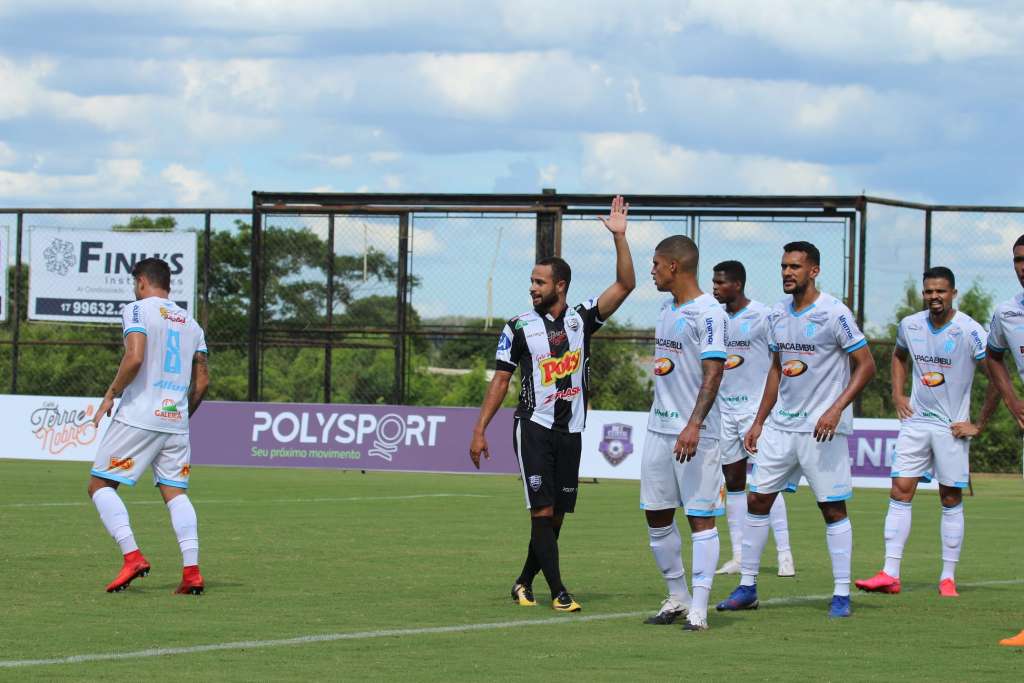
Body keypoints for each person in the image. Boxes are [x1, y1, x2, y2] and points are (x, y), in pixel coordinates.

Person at [469, 195, 635, 612]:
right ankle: (559, 592)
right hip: (534, 427)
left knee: (556, 515)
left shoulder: (582, 320)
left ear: (560, 286)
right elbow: (502, 379)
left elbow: (626, 286)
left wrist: (620, 238)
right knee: (542, 509)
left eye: (540, 282)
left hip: (572, 429)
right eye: (531, 281)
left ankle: (524, 580)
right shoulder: (518, 327)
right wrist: (479, 428)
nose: (532, 287)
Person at [717, 241, 876, 619]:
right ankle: (748, 587)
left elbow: (866, 365)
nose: (788, 273)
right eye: (784, 266)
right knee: (758, 499)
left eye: (795, 267)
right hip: (780, 427)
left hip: (821, 429)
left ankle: (840, 594)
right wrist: (759, 420)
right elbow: (776, 368)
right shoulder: (776, 315)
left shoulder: (834, 313)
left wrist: (836, 409)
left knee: (832, 508)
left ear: (814, 271)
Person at [855, 267, 994, 598]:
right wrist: (898, 394)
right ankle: (890, 573)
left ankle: (947, 577)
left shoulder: (970, 331)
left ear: (953, 293)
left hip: (951, 428)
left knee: (950, 497)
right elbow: (899, 357)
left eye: (941, 291)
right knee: (900, 491)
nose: (935, 297)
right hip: (916, 424)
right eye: (929, 291)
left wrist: (979, 424)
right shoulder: (910, 325)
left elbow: (996, 376)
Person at [88, 258, 210, 595]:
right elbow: (202, 382)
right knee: (175, 494)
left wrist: (110, 395)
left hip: (139, 414)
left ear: (142, 281)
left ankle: (132, 556)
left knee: (100, 486)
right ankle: (192, 572)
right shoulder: (191, 323)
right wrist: (182, 414)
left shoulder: (137, 310)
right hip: (176, 420)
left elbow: (135, 356)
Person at [640, 235, 727, 632]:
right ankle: (677, 596)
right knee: (657, 516)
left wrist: (694, 424)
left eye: (656, 263)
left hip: (697, 433)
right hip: (659, 429)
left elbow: (714, 372)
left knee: (700, 517)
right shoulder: (664, 307)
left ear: (674, 266)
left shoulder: (709, 313)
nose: (652, 270)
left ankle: (701, 608)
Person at [711, 260, 795, 578]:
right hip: (724, 411)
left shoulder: (763, 315)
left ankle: (785, 555)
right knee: (733, 482)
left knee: (765, 483)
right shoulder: (715, 318)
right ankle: (739, 556)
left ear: (737, 284)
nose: (715, 287)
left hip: (756, 412)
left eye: (720, 283)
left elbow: (780, 361)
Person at [980, 235, 1024, 647]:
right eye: (1017, 260)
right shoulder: (1007, 313)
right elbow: (993, 357)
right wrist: (1013, 401)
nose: (1022, 266)